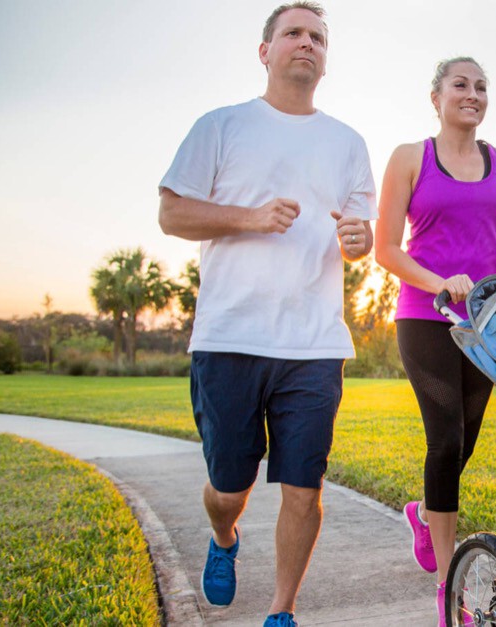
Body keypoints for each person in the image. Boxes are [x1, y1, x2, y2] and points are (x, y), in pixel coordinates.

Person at [157, 3, 375, 626]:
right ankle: (224, 537)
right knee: (230, 489)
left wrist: (358, 242)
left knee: (305, 487)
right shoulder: (221, 126)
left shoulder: (348, 143)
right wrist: (251, 217)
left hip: (314, 343)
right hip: (229, 336)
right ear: (265, 51)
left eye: (318, 38)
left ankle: (281, 612)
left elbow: (357, 236)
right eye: (294, 34)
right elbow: (172, 215)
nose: (307, 44)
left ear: (325, 58)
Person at [374, 57, 496, 624]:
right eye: (460, 85)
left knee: (466, 440)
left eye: (481, 87)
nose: (472, 94)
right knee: (445, 434)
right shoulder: (410, 158)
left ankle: (426, 517)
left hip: (486, 323)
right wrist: (439, 282)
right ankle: (449, 582)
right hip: (426, 315)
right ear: (436, 96)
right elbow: (386, 249)